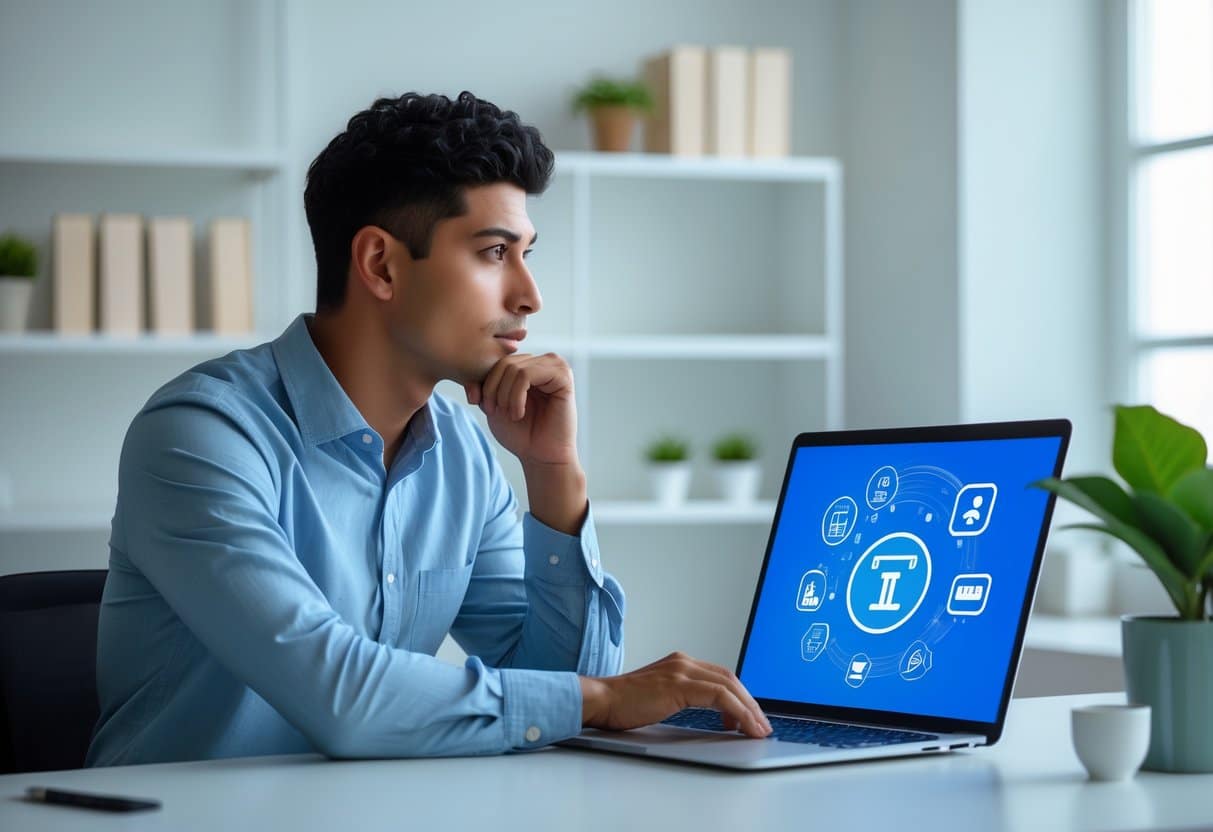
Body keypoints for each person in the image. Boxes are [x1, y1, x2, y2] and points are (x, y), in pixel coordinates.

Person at [87, 91, 771, 766]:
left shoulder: (462, 449)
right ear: (381, 264)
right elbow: (342, 697)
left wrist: (553, 473)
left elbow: (561, 693)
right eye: (495, 252)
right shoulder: (200, 436)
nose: (529, 295)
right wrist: (602, 697)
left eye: (527, 252)